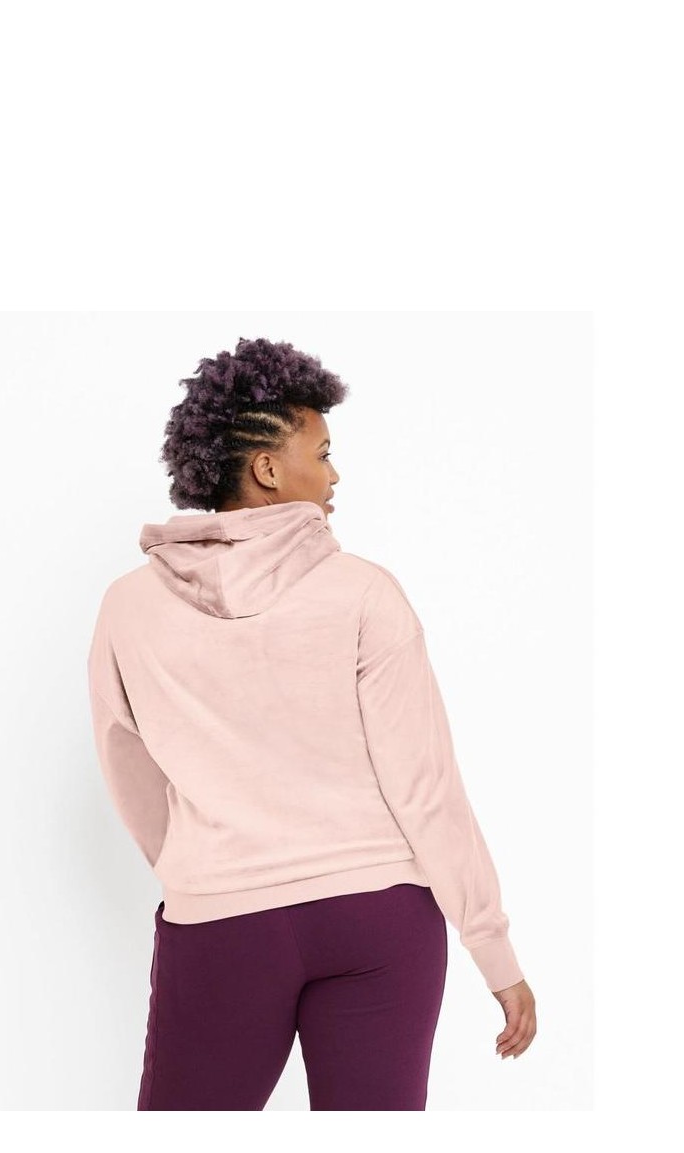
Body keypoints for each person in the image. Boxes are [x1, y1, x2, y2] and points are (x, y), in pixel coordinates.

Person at [87, 335, 537, 1110]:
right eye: (323, 453)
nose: (334, 475)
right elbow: (425, 788)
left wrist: (210, 868)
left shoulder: (129, 606)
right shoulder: (363, 593)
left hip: (222, 924)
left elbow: (127, 768)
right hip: (379, 920)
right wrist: (492, 947)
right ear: (267, 469)